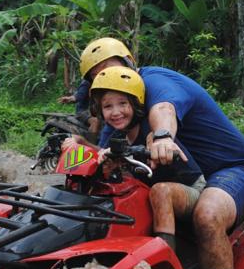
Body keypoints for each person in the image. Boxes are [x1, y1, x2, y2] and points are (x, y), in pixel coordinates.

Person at [72, 37, 244, 269]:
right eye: (99, 76)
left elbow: (164, 110)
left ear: (129, 65)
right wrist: (78, 149)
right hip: (182, 176)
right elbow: (106, 154)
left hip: (228, 169)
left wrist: (162, 137)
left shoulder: (156, 83)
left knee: (208, 215)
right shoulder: (118, 115)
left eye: (112, 69)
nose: (110, 78)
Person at [86, 66, 206, 251]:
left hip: (192, 189)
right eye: (108, 106)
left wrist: (160, 143)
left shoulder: (151, 130)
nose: (115, 112)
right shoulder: (116, 137)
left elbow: (157, 137)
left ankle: (165, 259)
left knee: (161, 191)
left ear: (135, 104)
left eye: (122, 103)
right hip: (152, 191)